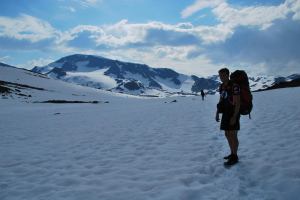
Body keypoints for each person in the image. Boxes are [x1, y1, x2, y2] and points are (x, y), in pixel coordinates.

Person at [215, 68, 241, 166]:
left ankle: (235, 156)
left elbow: (238, 103)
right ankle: (232, 153)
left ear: (227, 75)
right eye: (220, 76)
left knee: (233, 134)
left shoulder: (234, 86)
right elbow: (221, 99)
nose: (221, 77)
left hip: (234, 112)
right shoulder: (222, 86)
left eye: (223, 75)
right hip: (226, 112)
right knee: (227, 134)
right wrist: (217, 112)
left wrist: (234, 117)